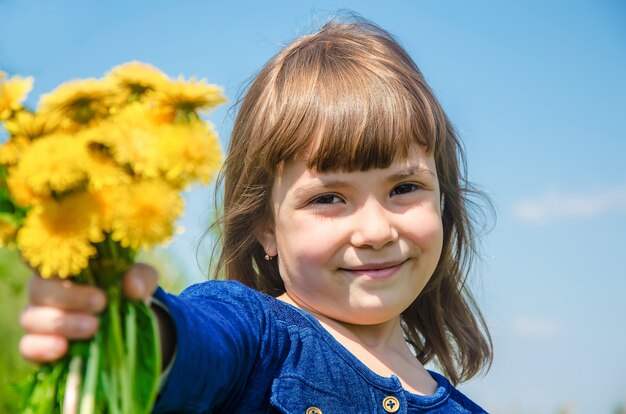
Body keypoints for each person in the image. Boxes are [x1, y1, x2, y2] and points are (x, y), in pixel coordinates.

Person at [20, 18, 493, 413]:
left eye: (405, 188)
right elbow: (199, 343)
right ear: (266, 226)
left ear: (444, 203)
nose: (374, 231)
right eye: (329, 198)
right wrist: (139, 327)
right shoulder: (259, 335)